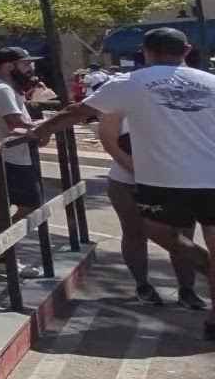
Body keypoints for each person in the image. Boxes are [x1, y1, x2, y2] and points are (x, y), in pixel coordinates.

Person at [32, 27, 215, 337]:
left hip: (165, 181)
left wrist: (44, 128)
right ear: (186, 52)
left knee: (154, 228)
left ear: (145, 52)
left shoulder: (129, 82)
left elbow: (79, 111)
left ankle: (205, 268)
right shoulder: (212, 82)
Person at [98, 102, 207, 308]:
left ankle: (187, 290)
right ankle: (143, 285)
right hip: (127, 182)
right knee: (134, 232)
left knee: (182, 235)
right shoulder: (120, 105)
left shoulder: (185, 108)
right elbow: (110, 143)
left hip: (177, 183)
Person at [0, 47, 44, 277]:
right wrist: (50, 126)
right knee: (30, 207)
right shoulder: (1, 89)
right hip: (12, 158)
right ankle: (2, 251)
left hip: (0, 156)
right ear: (8, 66)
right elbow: (16, 124)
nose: (30, 68)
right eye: (25, 64)